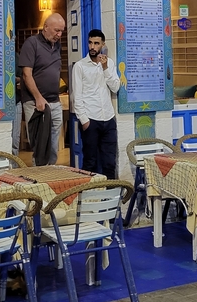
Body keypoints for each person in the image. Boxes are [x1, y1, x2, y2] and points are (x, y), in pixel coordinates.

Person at [70, 29, 121, 179]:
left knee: (109, 162)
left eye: (96, 43)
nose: (92, 46)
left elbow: (115, 87)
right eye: (90, 43)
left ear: (102, 45)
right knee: (90, 162)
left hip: (108, 119)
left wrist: (105, 69)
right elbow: (76, 96)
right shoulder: (80, 66)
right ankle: (88, 197)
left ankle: (110, 199)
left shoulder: (109, 63)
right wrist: (84, 120)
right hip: (90, 120)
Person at [18, 12, 66, 165]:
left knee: (53, 145)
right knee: (40, 145)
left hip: (54, 101)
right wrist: (38, 97)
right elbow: (26, 74)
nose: (59, 34)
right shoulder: (32, 43)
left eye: (61, 31)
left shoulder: (56, 45)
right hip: (35, 102)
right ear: (45, 27)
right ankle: (38, 179)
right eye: (56, 30)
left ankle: (50, 175)